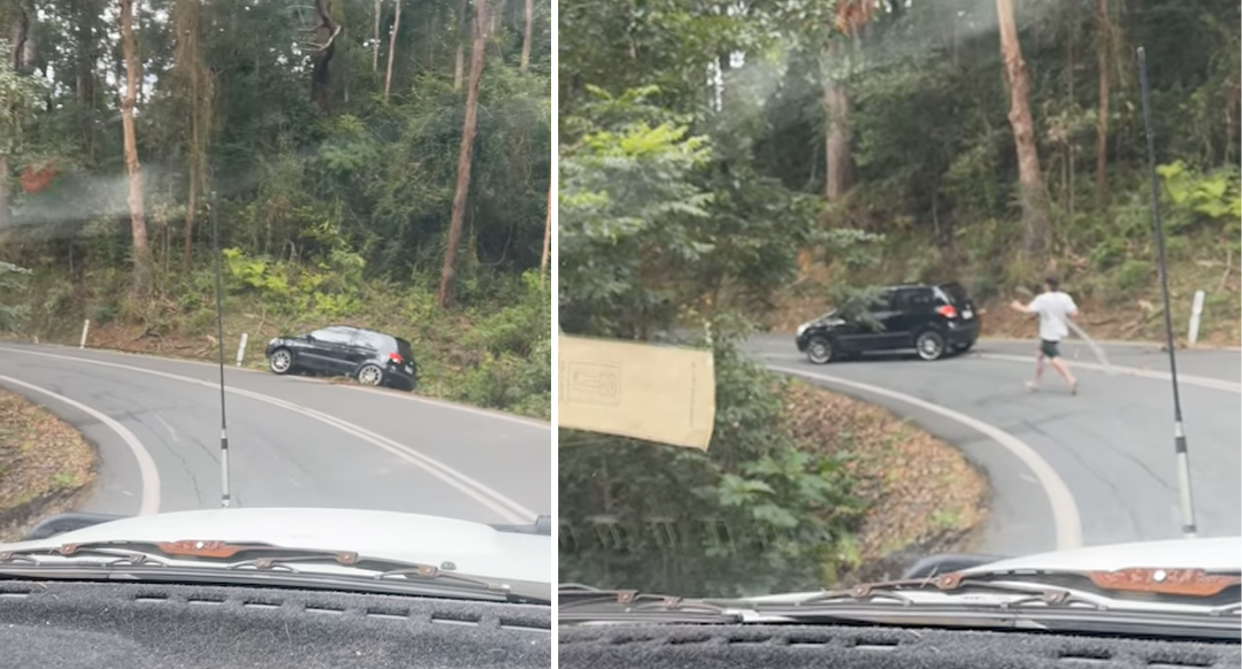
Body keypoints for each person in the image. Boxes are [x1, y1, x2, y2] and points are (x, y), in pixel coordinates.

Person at [1010, 277, 1079, 395]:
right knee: (1040, 355)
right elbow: (1074, 313)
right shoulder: (1065, 297)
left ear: (1046, 286)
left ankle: (1070, 378)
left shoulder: (1042, 299)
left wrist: (1017, 306)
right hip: (1060, 330)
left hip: (1049, 333)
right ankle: (1037, 381)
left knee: (1053, 357)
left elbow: (1028, 310)